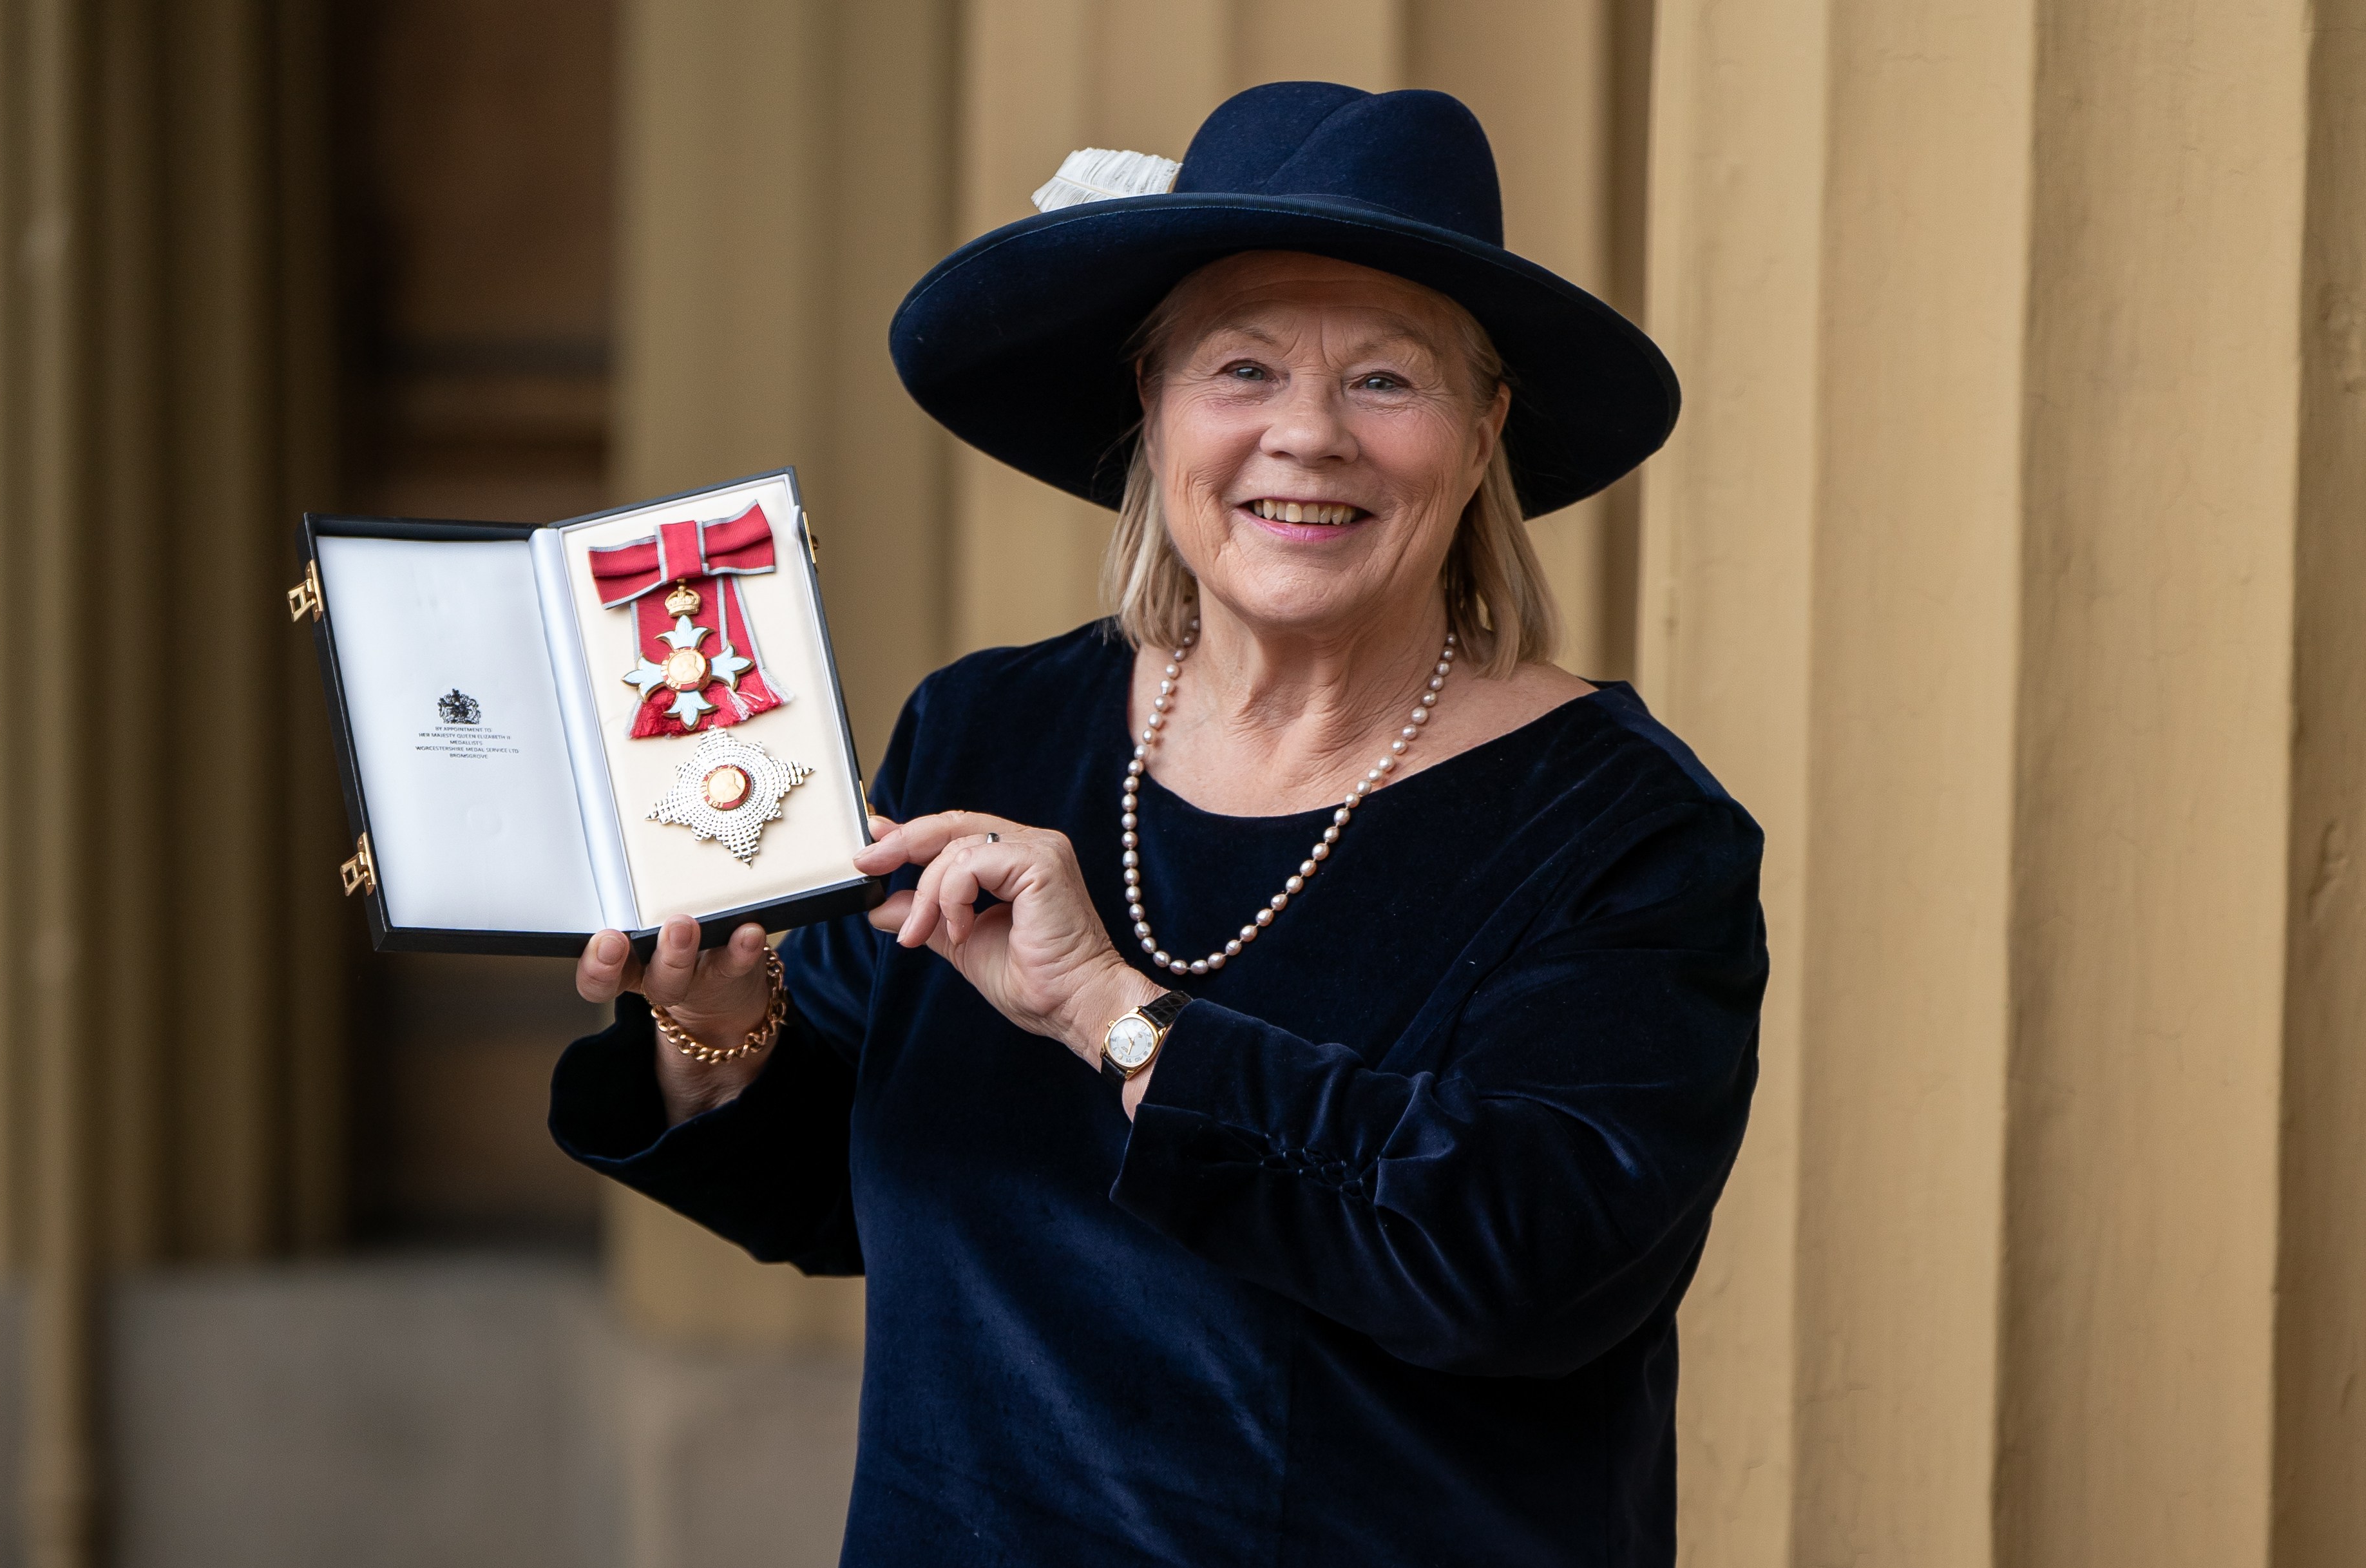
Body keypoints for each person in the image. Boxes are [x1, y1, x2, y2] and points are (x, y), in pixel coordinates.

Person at [553, 81, 1766, 1568]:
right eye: (1243, 367)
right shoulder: (986, 731)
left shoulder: (1623, 829)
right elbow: (854, 1195)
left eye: (1387, 380)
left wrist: (1124, 1017)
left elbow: (1528, 1267)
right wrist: (717, 1027)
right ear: (1152, 402)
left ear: (1485, 426)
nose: (1307, 436)